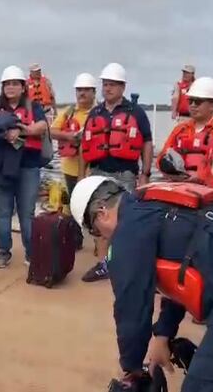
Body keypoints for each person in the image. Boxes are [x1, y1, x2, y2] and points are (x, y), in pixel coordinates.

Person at [69, 177, 213, 392]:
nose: (101, 237)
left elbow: (131, 306)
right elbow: (181, 274)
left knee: (203, 386)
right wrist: (163, 334)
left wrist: (132, 369)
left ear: (102, 213)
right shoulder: (153, 207)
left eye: (95, 231)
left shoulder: (127, 232)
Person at [78, 62, 153, 282]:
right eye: (105, 84)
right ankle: (103, 264)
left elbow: (147, 142)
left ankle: (126, 264)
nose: (108, 88)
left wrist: (145, 173)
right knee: (99, 219)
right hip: (98, 174)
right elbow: (85, 144)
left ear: (122, 87)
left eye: (112, 85)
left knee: (126, 222)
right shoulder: (96, 113)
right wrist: (83, 176)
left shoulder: (136, 112)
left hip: (126, 174)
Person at [0, 65, 48, 268]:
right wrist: (2, 130)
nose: (10, 87)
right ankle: (3, 252)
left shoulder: (32, 107)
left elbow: (42, 125)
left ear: (22, 86)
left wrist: (22, 131)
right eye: (7, 84)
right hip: (1, 167)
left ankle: (31, 252)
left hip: (28, 165)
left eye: (14, 84)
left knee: (27, 213)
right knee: (3, 212)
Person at [157, 77, 213, 182]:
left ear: (212, 105)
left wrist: (201, 176)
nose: (193, 105)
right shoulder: (180, 130)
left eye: (198, 102)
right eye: (190, 101)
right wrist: (169, 169)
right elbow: (161, 158)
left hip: (210, 193)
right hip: (179, 188)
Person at [49, 72, 96, 196]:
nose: (82, 93)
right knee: (74, 204)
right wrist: (68, 136)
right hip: (70, 169)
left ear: (94, 92)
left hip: (93, 170)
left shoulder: (100, 112)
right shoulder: (68, 112)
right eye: (79, 90)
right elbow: (51, 131)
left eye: (86, 90)